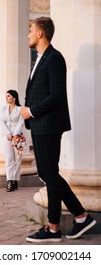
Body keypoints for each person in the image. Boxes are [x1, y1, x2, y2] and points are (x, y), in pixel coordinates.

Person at [20, 17, 96, 242]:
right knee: (48, 174)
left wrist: (31, 111)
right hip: (41, 125)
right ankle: (81, 217)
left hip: (48, 124)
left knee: (49, 174)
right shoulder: (41, 58)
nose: (28, 34)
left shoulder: (54, 58)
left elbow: (56, 95)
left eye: (30, 30)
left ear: (40, 33)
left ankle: (54, 227)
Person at [0, 90, 24, 192]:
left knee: (17, 158)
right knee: (9, 158)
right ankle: (9, 181)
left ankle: (15, 180)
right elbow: (2, 121)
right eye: (6, 96)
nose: (6, 98)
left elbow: (20, 122)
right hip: (7, 136)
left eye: (8, 96)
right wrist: (8, 134)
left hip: (18, 136)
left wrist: (14, 135)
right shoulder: (3, 109)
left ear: (14, 98)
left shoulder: (20, 109)